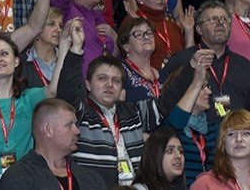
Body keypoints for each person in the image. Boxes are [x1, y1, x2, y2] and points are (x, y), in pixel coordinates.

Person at [56, 15, 212, 188]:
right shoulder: (80, 113)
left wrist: (190, 66)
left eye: (116, 81)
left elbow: (166, 101)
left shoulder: (133, 113)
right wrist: (76, 50)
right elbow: (67, 92)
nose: (109, 85)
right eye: (102, 79)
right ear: (88, 85)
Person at [0, 28, 71, 188]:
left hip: (23, 177)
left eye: (4, 53)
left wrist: (63, 48)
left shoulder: (28, 97)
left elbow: (53, 90)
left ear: (16, 62)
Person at [162, 0, 250, 124]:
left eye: (224, 19)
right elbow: (165, 100)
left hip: (237, 136)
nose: (220, 23)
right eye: (213, 19)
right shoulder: (183, 60)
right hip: (196, 137)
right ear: (199, 29)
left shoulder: (244, 65)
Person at [0, 98, 106, 189]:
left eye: (75, 125)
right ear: (48, 130)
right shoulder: (19, 177)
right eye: (69, 125)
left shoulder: (90, 178)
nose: (77, 131)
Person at [190, 110, 250, 190]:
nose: (239, 139)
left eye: (246, 133)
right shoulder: (205, 183)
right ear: (223, 142)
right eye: (231, 134)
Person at [163, 62, 219, 186]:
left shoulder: (213, 129)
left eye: (206, 86)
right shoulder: (170, 126)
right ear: (187, 91)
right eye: (202, 87)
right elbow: (176, 122)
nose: (209, 92)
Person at [131, 0, 193, 70]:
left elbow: (188, 61)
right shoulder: (132, 22)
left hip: (177, 79)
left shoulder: (171, 26)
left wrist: (189, 32)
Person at [118, 18, 165, 102]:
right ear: (126, 46)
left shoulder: (165, 76)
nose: (147, 37)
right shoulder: (119, 73)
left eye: (149, 33)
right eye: (138, 34)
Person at [20, 7, 64, 88]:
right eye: (52, 24)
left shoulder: (68, 61)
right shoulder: (21, 63)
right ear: (36, 28)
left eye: (60, 25)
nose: (59, 30)